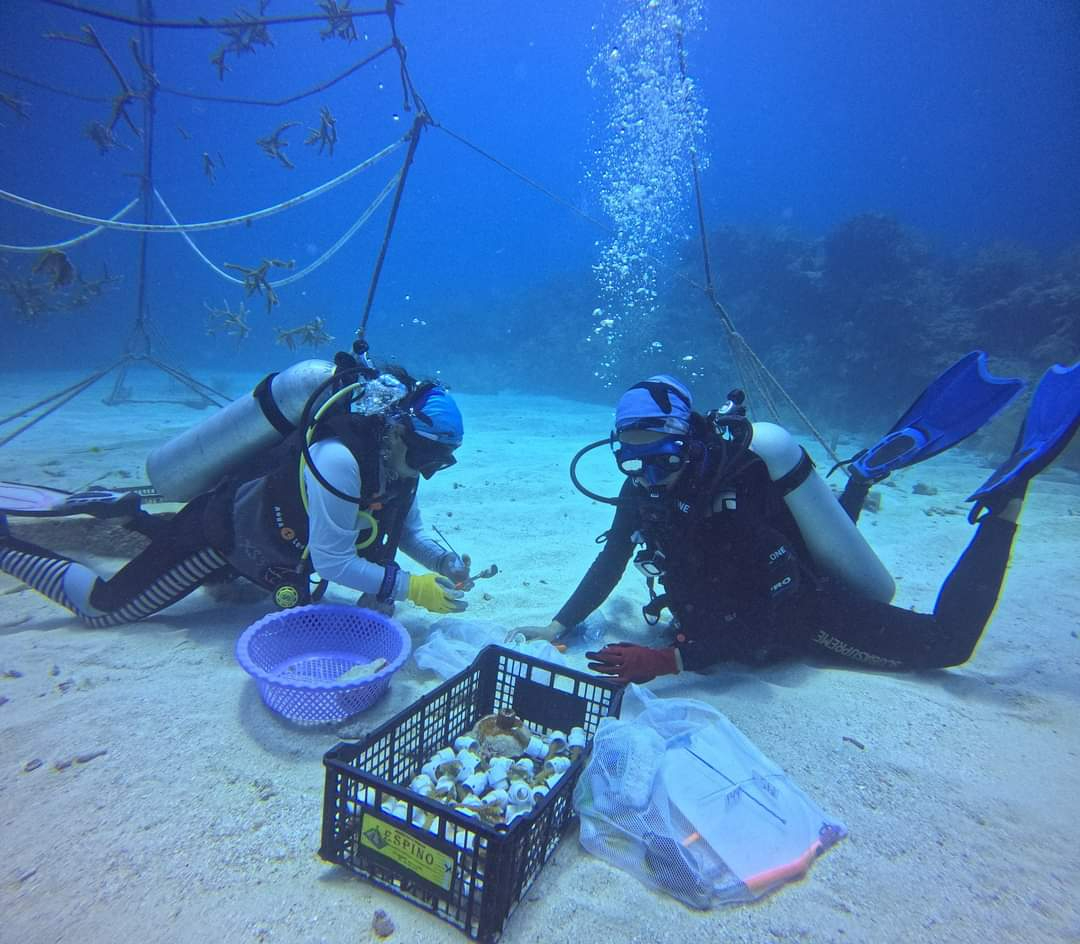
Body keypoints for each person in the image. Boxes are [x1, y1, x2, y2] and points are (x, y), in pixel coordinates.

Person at [516, 356, 1080, 683]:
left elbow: (777, 611)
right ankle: (857, 478)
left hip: (801, 606)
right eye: (630, 457)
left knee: (947, 645)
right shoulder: (644, 485)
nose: (645, 473)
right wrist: (559, 624)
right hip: (734, 605)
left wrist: (671, 660)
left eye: (659, 455)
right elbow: (613, 555)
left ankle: (1009, 500)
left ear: (687, 439)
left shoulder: (730, 494)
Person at [0, 363, 470, 627]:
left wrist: (442, 565)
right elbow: (333, 564)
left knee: (232, 596)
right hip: (220, 536)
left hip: (272, 556)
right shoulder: (338, 461)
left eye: (442, 460)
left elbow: (409, 533)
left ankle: (128, 514)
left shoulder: (397, 463)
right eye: (428, 454)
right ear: (395, 429)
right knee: (105, 609)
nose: (431, 469)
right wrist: (413, 587)